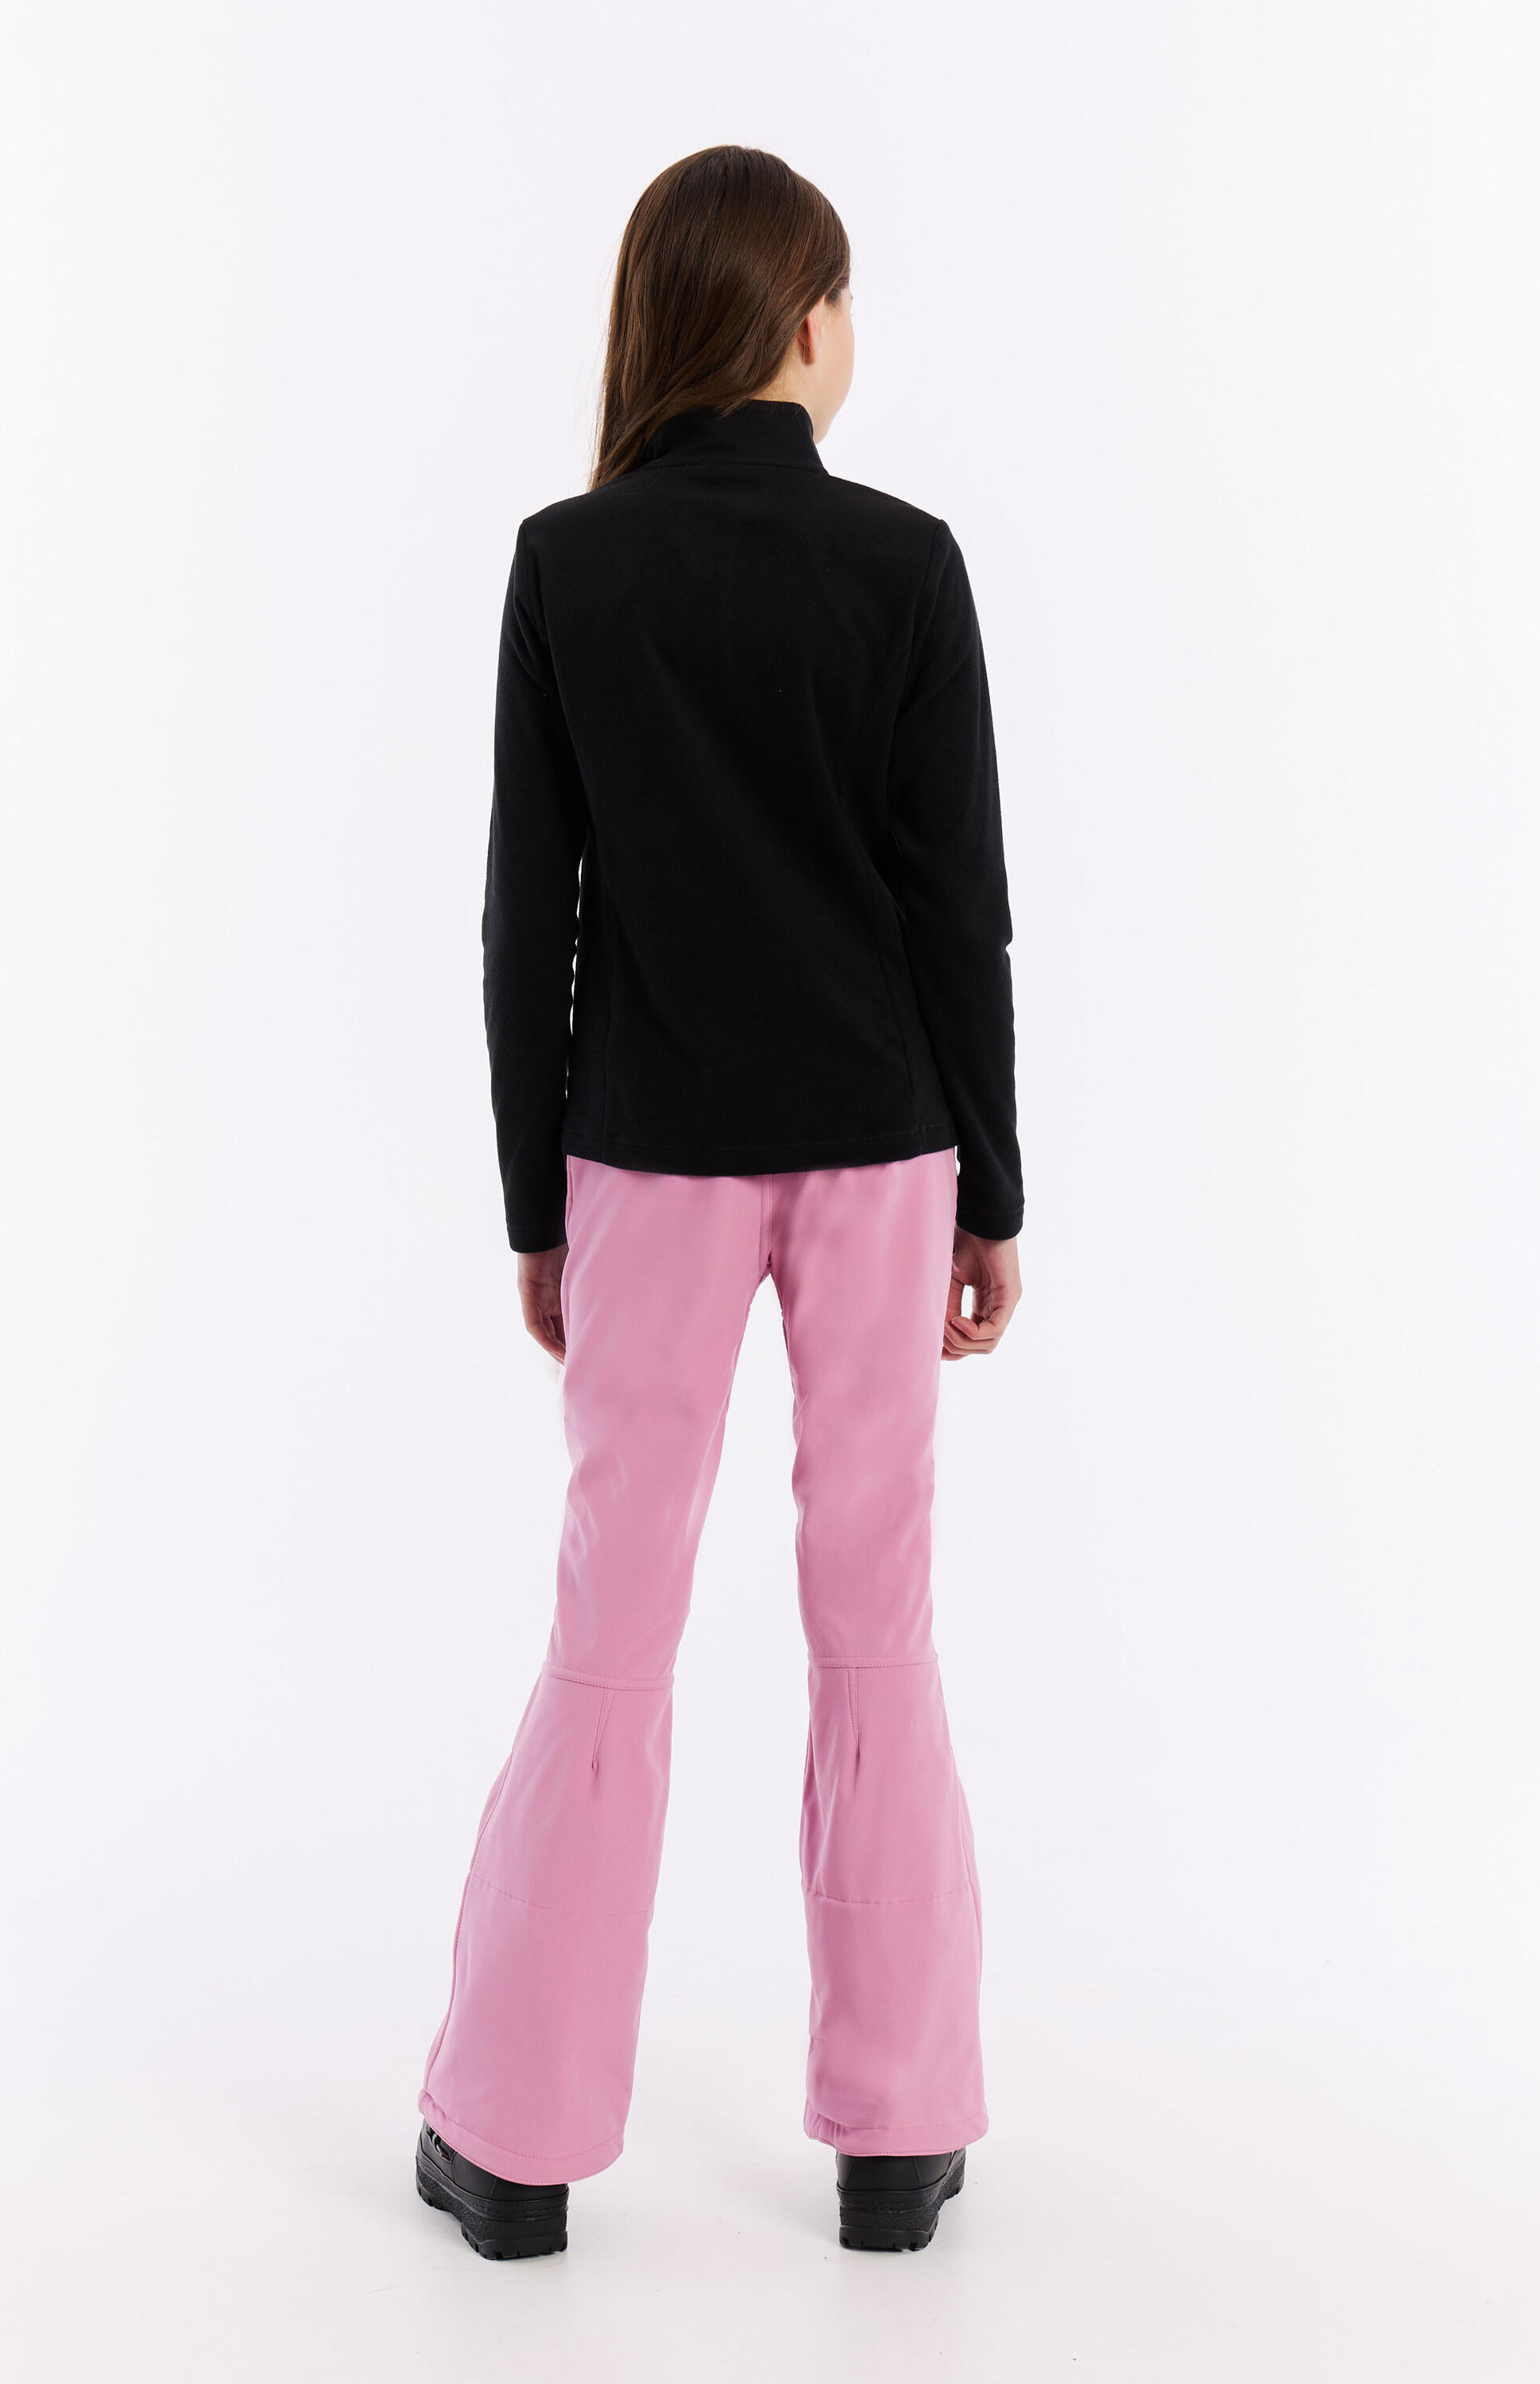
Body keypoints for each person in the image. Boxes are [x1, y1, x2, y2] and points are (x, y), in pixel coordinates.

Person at [416, 144, 1023, 2263]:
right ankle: (900, 2134)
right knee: (877, 1623)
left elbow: (530, 926)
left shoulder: (569, 563)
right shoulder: (907, 564)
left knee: (613, 1633)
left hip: (648, 1156)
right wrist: (993, 1189)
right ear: (805, 322)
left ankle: (514, 2144)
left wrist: (536, 1207)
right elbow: (959, 912)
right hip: (881, 1148)